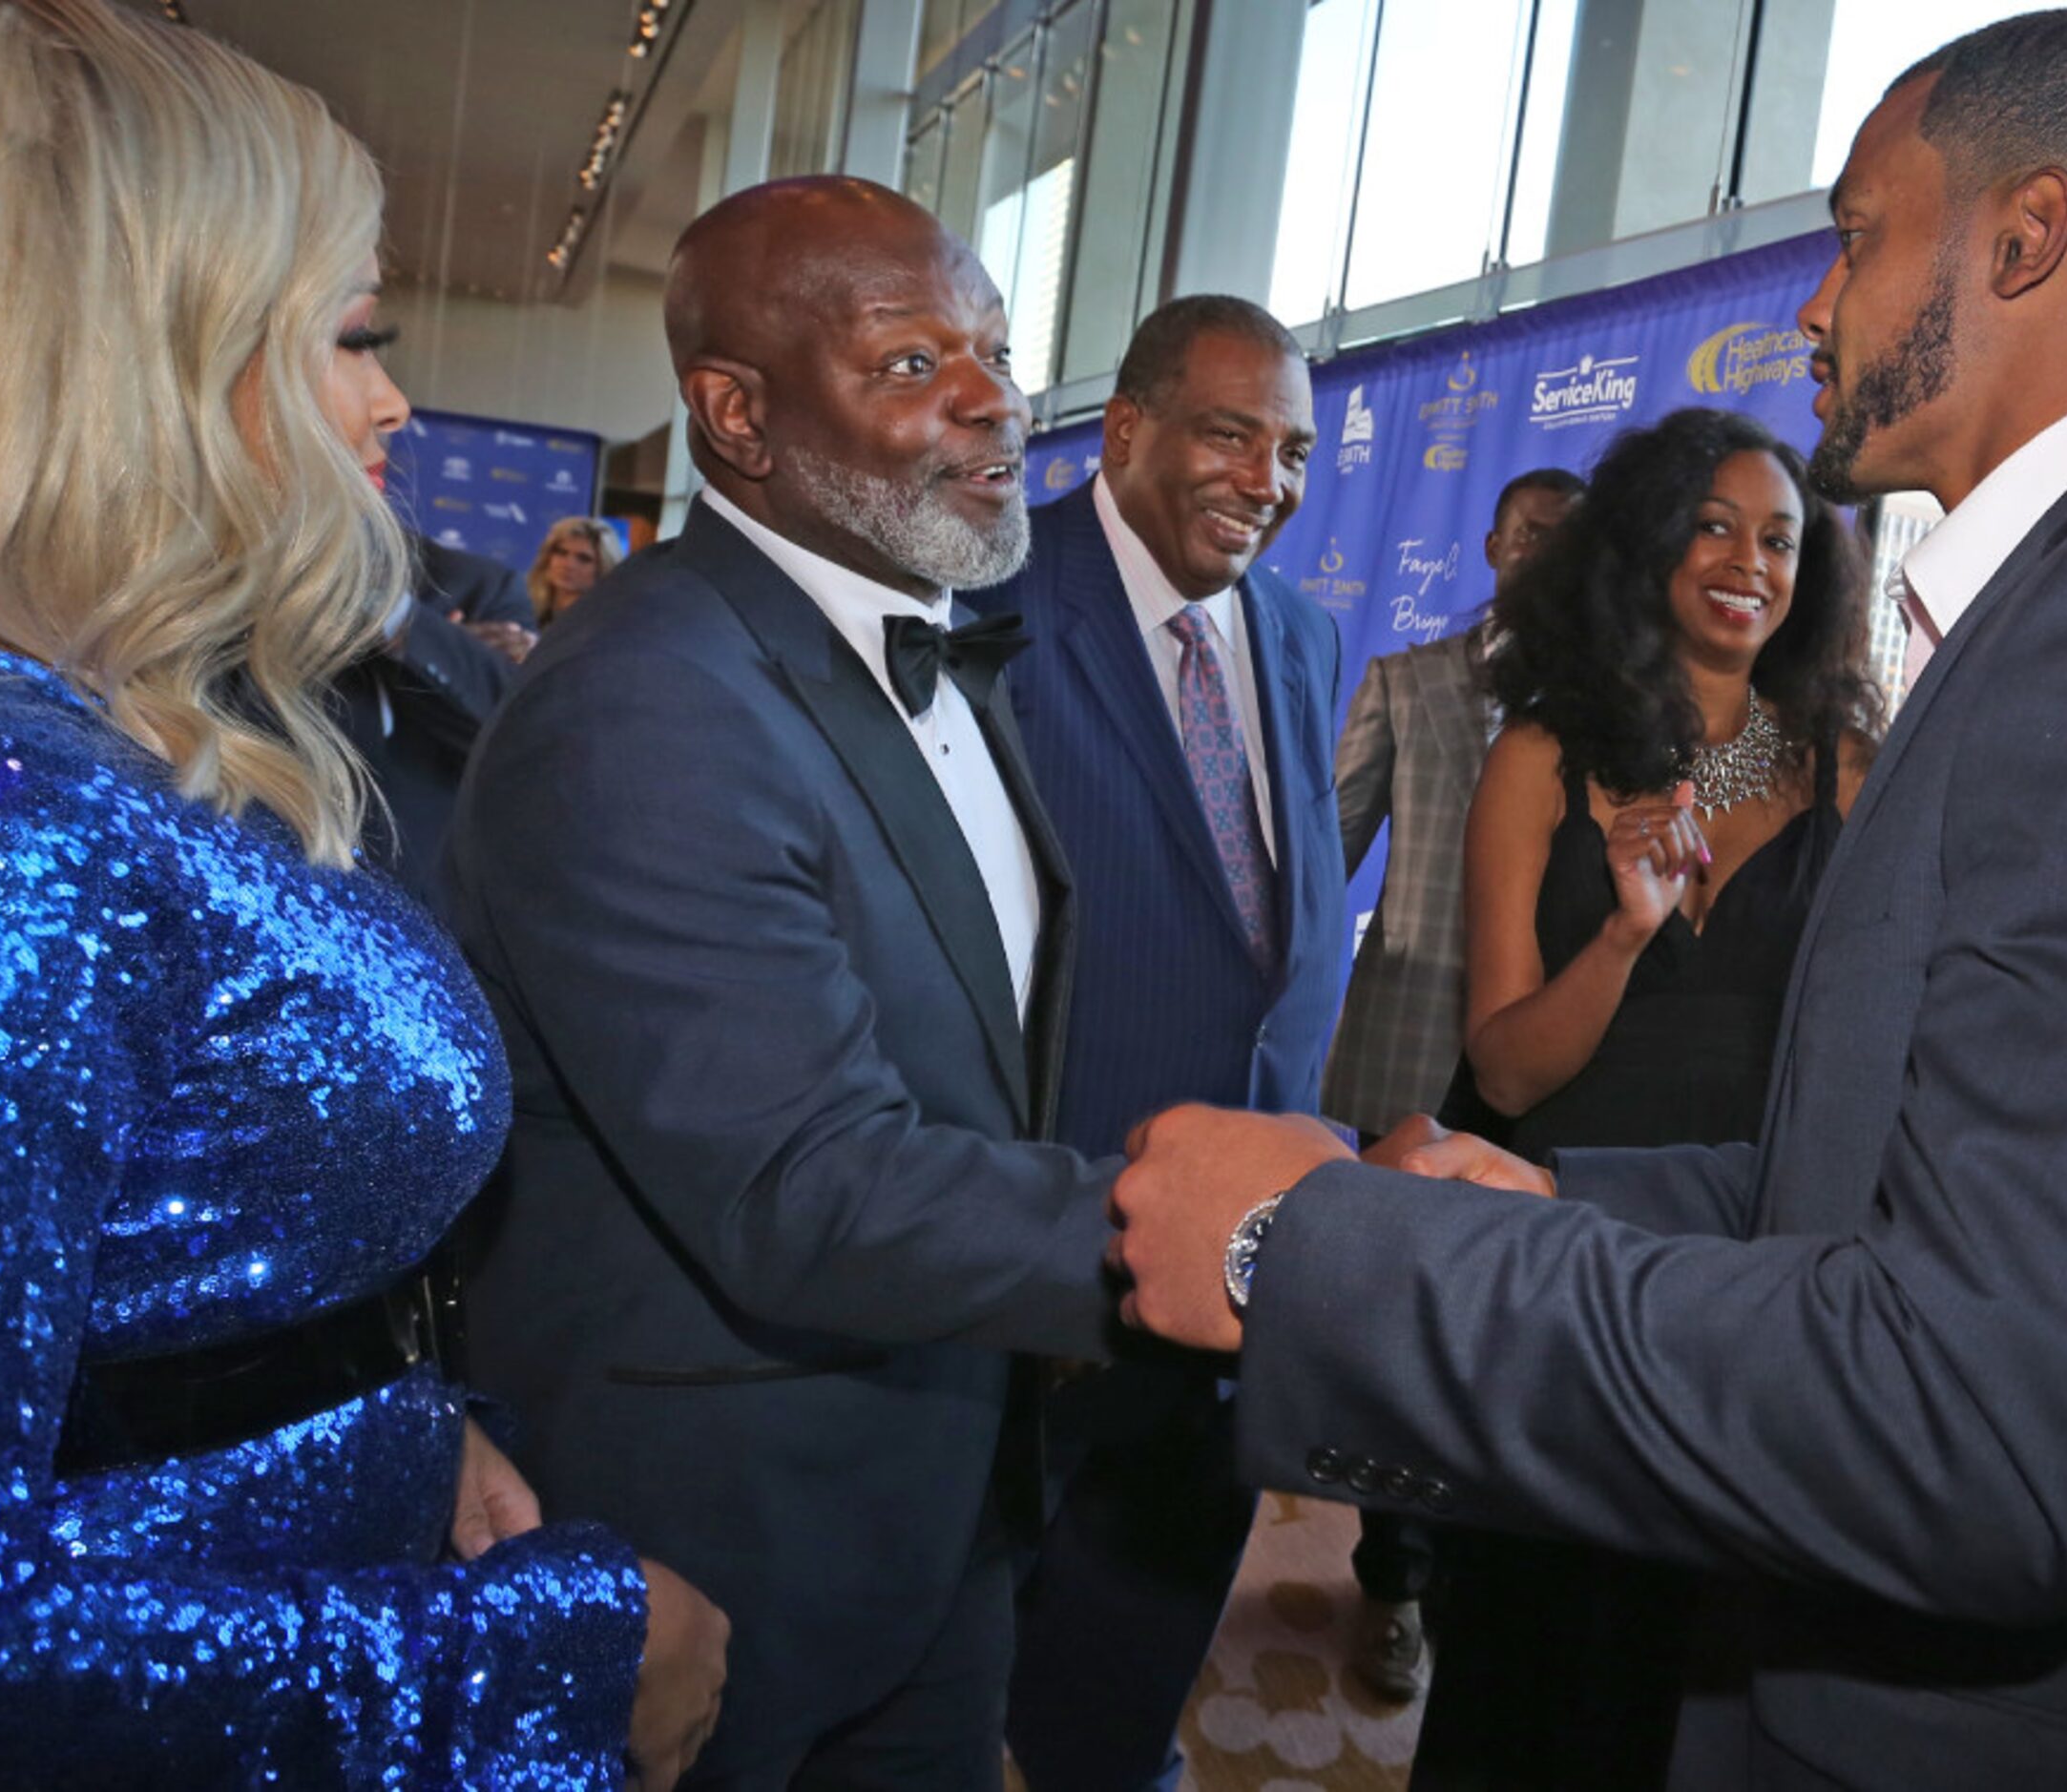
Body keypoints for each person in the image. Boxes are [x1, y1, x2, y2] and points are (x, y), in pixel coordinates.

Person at [1107, 11, 2067, 1786]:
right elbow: (1897, 1170)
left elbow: (1989, 1419)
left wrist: (1314, 1259)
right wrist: (1543, 1193)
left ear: (2018, 238)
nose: (1813, 303)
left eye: (1859, 236)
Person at [0, 2, 725, 1786]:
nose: (392, 398)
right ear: (149, 349)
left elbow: (169, 1297)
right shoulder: (21, 830)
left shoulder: (118, 742)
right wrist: (535, 1661)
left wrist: (394, 1412)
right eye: (351, 333)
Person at [446, 176, 1117, 1790]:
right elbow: (801, 1180)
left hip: (941, 1502)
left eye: (995, 351)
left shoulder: (921, 629)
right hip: (721, 1558)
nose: (989, 401)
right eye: (908, 364)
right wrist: (1209, 1239)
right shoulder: (649, 706)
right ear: (732, 416)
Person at [1420, 409, 1873, 1786]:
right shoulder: (1545, 758)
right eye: (1717, 525)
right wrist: (1620, 932)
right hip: (1560, 1254)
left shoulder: (1834, 760)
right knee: (1528, 1648)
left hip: (1750, 1272)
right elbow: (1502, 1071)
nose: (1751, 561)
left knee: (1694, 1664)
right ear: (1649, 544)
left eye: (1782, 538)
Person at [969, 295, 1342, 1792]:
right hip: (1034, 1247)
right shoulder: (990, 599)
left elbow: (1269, 952)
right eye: (1232, 433)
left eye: (1297, 449)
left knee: (1135, 1647)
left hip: (1241, 1271)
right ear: (1125, 430)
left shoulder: (1304, 640)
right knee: (957, 1648)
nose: (1269, 478)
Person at [1322, 462, 1582, 1699]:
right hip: (1410, 1048)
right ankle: (1393, 1580)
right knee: (1401, 1339)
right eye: (1529, 533)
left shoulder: (1619, 710)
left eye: (1570, 540)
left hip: (1554, 1079)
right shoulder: (1408, 681)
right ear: (1489, 543)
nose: (1545, 555)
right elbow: (1319, 864)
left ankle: (1486, 1576)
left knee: (1514, 1339)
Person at [334, 524, 540, 915]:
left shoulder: (475, 583)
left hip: (408, 904)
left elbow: (516, 736)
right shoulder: (217, 561)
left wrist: (405, 625)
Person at [528, 513, 625, 623]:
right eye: (561, 552)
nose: (568, 565)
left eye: (584, 559)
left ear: (604, 568)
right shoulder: (522, 606)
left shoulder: (607, 623)